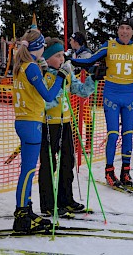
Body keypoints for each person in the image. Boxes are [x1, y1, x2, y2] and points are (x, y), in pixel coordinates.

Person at [70, 17, 133, 186]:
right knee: (113, 134)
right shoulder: (109, 45)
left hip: (129, 97)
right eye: (122, 28)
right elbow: (89, 61)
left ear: (132, 32)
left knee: (128, 134)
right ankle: (109, 171)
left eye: (128, 28)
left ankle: (126, 172)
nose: (124, 31)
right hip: (111, 96)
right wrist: (69, 60)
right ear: (118, 30)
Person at [12, 29, 70, 234]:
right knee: (27, 172)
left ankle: (25, 210)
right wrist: (61, 76)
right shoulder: (31, 67)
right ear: (37, 48)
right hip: (32, 123)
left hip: (23, 121)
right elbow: (48, 95)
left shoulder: (21, 65)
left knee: (27, 170)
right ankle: (21, 215)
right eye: (43, 47)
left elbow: (33, 88)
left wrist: (45, 72)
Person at [38, 37, 97, 218]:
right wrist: (59, 80)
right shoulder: (43, 75)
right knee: (49, 165)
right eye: (56, 56)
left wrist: (93, 78)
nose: (61, 59)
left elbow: (82, 91)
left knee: (67, 162)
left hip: (65, 124)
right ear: (47, 58)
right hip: (48, 124)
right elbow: (47, 101)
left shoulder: (66, 73)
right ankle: (48, 204)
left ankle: (66, 200)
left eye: (62, 55)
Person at [68, 31, 94, 149]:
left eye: (71, 40)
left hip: (83, 89)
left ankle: (88, 142)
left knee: (86, 114)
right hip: (74, 88)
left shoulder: (86, 54)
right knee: (73, 115)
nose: (70, 42)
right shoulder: (74, 53)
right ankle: (76, 142)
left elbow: (88, 68)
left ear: (76, 42)